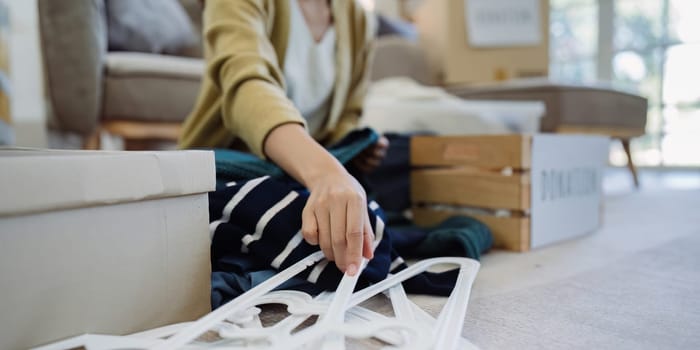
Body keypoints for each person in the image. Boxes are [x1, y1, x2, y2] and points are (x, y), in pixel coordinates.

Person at [179, 0, 388, 276]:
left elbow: (347, 114)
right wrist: (325, 173)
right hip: (229, 167)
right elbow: (247, 85)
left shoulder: (357, 18)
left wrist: (355, 147)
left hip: (296, 173)